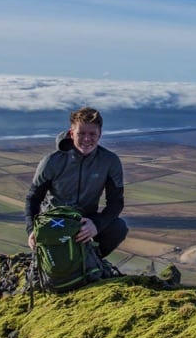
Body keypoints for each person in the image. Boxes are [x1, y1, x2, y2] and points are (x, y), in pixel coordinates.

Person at [25, 107, 127, 258]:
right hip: (55, 221)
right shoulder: (52, 161)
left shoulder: (109, 162)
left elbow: (116, 203)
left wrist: (96, 225)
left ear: (100, 135)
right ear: (72, 133)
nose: (87, 139)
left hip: (85, 222)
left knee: (118, 228)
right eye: (81, 133)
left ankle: (91, 261)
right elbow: (33, 198)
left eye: (92, 134)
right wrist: (32, 230)